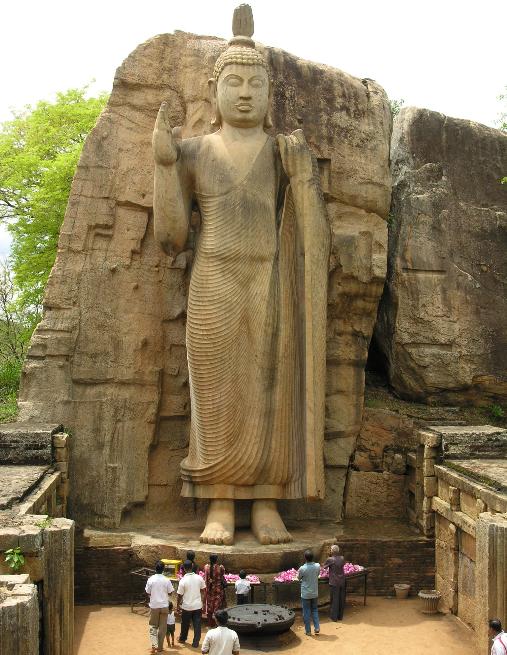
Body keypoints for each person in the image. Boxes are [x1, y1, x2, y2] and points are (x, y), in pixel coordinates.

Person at [152, 3, 329, 547]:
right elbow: (171, 237)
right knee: (214, 398)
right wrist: (164, 167)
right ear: (215, 91)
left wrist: (303, 179)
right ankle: (221, 502)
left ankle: (268, 501)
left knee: (270, 394)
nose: (246, 93)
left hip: (270, 283)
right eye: (235, 82)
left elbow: (312, 234)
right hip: (214, 281)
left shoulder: (282, 152)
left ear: (271, 93)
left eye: (256, 83)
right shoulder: (195, 151)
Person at [145, 560, 174, 654]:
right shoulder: (167, 580)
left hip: (154, 606)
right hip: (164, 606)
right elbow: (170, 592)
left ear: (155, 568)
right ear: (163, 569)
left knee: (153, 626)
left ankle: (154, 645)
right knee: (162, 628)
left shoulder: (151, 579)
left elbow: (148, 592)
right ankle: (160, 647)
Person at [177, 560, 206, 648]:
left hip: (186, 606)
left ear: (184, 569)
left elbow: (179, 595)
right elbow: (204, 591)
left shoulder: (183, 580)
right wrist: (203, 602)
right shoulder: (199, 578)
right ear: (192, 566)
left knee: (185, 624)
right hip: (197, 606)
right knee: (197, 624)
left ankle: (183, 638)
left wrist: (178, 605)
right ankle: (196, 642)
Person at [298, 549, 321, 636]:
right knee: (315, 610)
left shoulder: (302, 568)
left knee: (306, 612)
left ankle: (308, 631)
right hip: (314, 592)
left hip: (305, 594)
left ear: (305, 558)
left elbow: (299, 577)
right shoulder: (317, 566)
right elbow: (317, 574)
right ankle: (317, 627)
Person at [323, 544, 346, 621]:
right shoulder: (342, 558)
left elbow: (324, 567)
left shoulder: (330, 559)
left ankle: (334, 617)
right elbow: (342, 565)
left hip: (334, 582)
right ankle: (340, 616)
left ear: (332, 551)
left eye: (330, 550)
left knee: (334, 600)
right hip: (342, 581)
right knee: (341, 599)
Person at [204, 554, 226, 624]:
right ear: (216, 560)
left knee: (210, 606)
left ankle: (210, 623)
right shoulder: (221, 568)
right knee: (217, 607)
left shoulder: (206, 567)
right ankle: (218, 623)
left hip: (210, 590)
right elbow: (223, 574)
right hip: (218, 590)